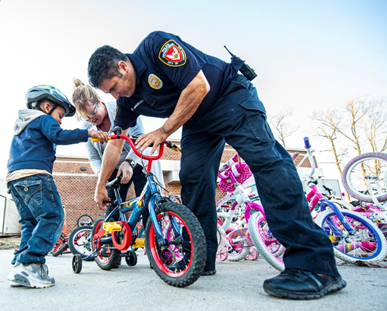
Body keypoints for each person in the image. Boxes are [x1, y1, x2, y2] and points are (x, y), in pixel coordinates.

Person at [87, 31, 346, 299]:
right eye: (110, 93)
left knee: (267, 164)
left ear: (123, 66)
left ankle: (314, 267)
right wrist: (100, 186)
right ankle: (201, 259)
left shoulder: (155, 46)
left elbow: (198, 86)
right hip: (198, 121)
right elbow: (115, 143)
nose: (116, 95)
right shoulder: (127, 101)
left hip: (228, 96)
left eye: (114, 87)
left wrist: (163, 131)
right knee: (193, 177)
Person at [6, 85, 109, 288]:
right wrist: (89, 134)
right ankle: (31, 262)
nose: (60, 121)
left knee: (30, 222)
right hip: (36, 177)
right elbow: (58, 136)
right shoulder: (42, 119)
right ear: (46, 106)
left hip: (15, 180)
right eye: (60, 115)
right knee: (53, 216)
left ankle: (20, 265)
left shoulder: (23, 126)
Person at [71, 79, 164, 223]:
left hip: (137, 159)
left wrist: (129, 162)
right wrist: (102, 176)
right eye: (87, 117)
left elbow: (139, 139)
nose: (91, 119)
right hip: (112, 167)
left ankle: (150, 239)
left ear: (99, 102)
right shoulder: (87, 128)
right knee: (112, 207)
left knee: (146, 202)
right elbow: (94, 157)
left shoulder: (121, 108)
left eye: (93, 113)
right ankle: (113, 242)